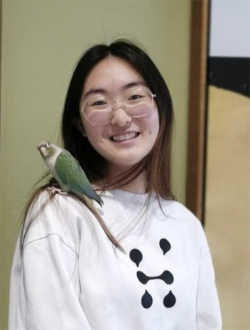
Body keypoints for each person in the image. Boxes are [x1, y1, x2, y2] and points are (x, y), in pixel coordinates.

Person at [9, 39, 222, 330]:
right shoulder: (59, 214)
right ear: (79, 124)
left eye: (135, 96)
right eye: (99, 102)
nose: (120, 117)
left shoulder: (186, 226)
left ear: (160, 105)